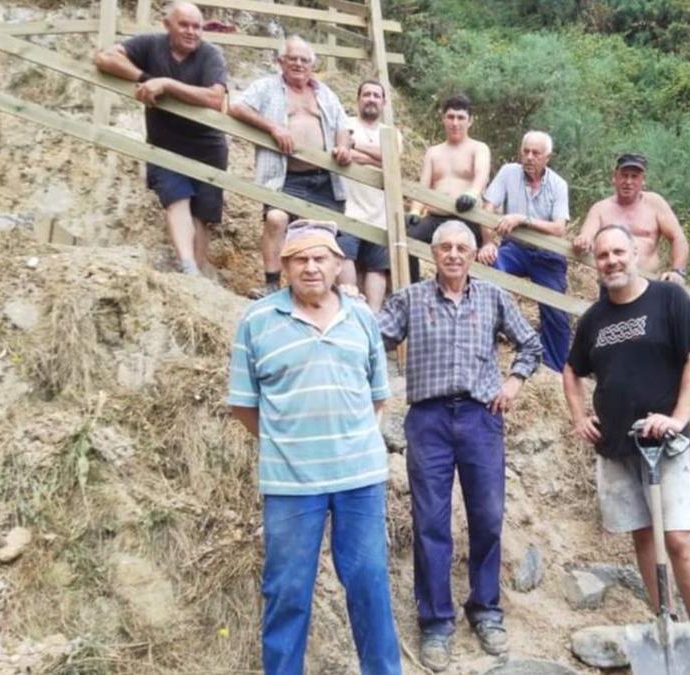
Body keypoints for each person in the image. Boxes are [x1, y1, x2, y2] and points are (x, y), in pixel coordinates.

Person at [226, 219, 401, 675]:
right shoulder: (257, 320)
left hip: (359, 480)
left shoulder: (362, 317)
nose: (310, 267)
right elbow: (244, 406)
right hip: (290, 484)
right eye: (299, 259)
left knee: (369, 584)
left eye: (320, 258)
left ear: (338, 264)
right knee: (287, 591)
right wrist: (289, 441)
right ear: (283, 266)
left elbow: (378, 395)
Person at [376, 221, 541, 672]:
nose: (453, 254)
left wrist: (512, 382)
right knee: (431, 522)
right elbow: (372, 342)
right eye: (445, 247)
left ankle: (485, 610)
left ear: (473, 254)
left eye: (461, 248)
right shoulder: (408, 298)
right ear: (433, 253)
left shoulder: (492, 297)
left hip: (480, 418)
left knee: (487, 517)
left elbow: (531, 344)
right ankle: (435, 624)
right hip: (427, 420)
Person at [562, 224, 690, 668]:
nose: (611, 261)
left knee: (679, 538)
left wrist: (678, 419)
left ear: (636, 253)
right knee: (643, 536)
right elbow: (571, 372)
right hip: (616, 447)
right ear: (595, 262)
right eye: (603, 255)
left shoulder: (669, 300)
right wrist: (579, 417)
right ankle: (663, 622)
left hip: (665, 445)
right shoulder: (594, 319)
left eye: (618, 252)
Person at [93, 1, 228, 276]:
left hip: (207, 146)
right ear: (167, 25)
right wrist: (144, 77)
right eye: (184, 25)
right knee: (175, 198)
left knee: (202, 215)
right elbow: (105, 58)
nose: (191, 31)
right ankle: (189, 268)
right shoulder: (151, 45)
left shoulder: (210, 54)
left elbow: (215, 98)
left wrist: (165, 84)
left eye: (197, 26)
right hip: (164, 143)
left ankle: (197, 281)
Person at [229, 35, 353, 296]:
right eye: (293, 59)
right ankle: (272, 285)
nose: (298, 64)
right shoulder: (267, 87)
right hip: (285, 177)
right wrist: (273, 126)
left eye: (304, 60)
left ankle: (323, 291)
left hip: (324, 178)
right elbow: (237, 108)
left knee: (324, 234)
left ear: (312, 65)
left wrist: (343, 147)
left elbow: (343, 125)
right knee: (276, 218)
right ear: (280, 62)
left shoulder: (324, 92)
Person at [479, 131, 571, 372]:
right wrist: (488, 242)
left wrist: (523, 219)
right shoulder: (509, 172)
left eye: (535, 153)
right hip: (515, 248)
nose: (529, 157)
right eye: (525, 151)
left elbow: (559, 228)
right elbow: (487, 209)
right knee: (488, 271)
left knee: (557, 310)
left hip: (547, 255)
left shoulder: (558, 184)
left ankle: (554, 369)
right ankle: (486, 345)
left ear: (547, 157)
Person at [405, 95, 491, 279]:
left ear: (470, 121)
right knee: (406, 241)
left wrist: (472, 193)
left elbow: (481, 175)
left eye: (461, 118)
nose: (455, 123)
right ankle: (412, 287)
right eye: (451, 117)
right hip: (436, 217)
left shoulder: (479, 148)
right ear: (443, 119)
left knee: (471, 266)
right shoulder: (433, 152)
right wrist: (414, 211)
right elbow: (424, 187)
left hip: (468, 216)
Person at [574, 153, 690, 284]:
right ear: (614, 177)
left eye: (634, 177)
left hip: (646, 282)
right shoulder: (600, 208)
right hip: (613, 281)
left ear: (643, 180)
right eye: (624, 175)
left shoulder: (655, 204)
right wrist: (583, 242)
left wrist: (678, 271)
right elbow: (585, 236)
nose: (628, 182)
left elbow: (678, 237)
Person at [341, 79, 399, 311]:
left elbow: (393, 158)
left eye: (377, 95)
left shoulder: (391, 132)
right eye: (367, 94)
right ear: (358, 99)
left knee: (378, 266)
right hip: (348, 208)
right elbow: (338, 151)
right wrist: (377, 158)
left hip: (381, 214)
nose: (372, 99)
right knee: (344, 254)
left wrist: (355, 147)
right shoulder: (345, 123)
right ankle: (350, 308)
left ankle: (374, 317)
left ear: (384, 102)